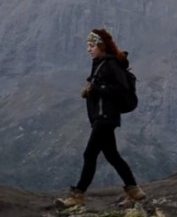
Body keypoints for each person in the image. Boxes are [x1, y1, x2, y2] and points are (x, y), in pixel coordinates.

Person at [56, 28, 146, 208]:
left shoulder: (110, 64)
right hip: (103, 117)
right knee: (112, 155)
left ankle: (77, 196)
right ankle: (135, 191)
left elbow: (121, 89)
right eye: (88, 46)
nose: (88, 49)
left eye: (91, 46)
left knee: (89, 154)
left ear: (101, 46)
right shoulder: (100, 63)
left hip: (105, 117)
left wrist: (96, 89)